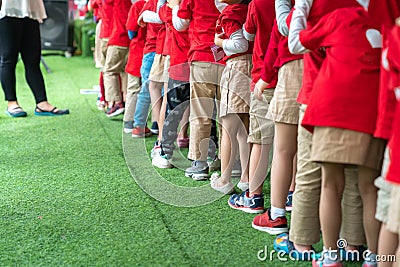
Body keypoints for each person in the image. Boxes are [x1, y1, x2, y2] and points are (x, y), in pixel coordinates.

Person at [298, 5, 384, 267]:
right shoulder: (388, 22)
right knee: (369, 190)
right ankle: (373, 257)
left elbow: (297, 41)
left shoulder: (339, 17)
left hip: (332, 107)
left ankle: (330, 256)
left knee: (331, 186)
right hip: (372, 110)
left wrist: (299, 6)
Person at [227, 0, 275, 211]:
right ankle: (291, 196)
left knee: (260, 141)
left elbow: (247, 37)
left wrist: (219, 43)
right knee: (289, 146)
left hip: (264, 76)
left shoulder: (257, 3)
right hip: (297, 78)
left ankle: (253, 196)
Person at [171, 0, 223, 180]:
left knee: (201, 113)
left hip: (202, 56)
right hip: (228, 58)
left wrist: (174, 7)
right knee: (227, 114)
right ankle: (231, 163)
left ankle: (200, 164)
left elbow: (180, 24)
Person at [0, 0, 69, 117]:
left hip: (30, 8)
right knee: (8, 58)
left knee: (33, 59)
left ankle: (42, 103)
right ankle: (12, 103)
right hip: (8, 8)